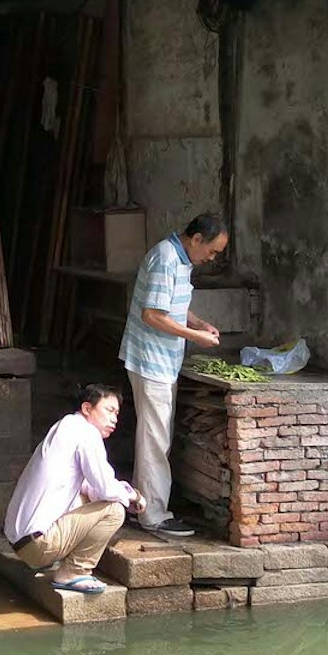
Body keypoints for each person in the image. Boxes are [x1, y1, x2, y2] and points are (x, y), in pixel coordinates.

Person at [118, 213, 229, 537]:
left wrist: (197, 323)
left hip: (163, 360)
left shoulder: (181, 260)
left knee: (154, 437)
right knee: (155, 439)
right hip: (150, 360)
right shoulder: (165, 258)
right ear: (196, 239)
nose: (212, 258)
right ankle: (153, 515)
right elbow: (152, 314)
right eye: (212, 251)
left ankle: (143, 507)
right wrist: (195, 338)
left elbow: (171, 305)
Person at [3, 385, 146, 595]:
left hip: (21, 543)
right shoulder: (85, 432)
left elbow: (92, 488)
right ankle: (74, 571)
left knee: (91, 497)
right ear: (87, 408)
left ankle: (54, 560)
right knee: (114, 510)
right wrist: (133, 495)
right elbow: (106, 488)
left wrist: (124, 492)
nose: (115, 419)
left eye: (117, 413)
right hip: (38, 546)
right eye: (109, 410)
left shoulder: (66, 427)